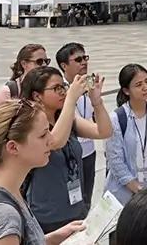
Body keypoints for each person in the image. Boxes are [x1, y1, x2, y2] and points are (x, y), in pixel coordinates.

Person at [0, 100, 85, 244]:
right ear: (13, 147)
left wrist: (51, 239)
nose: (51, 140)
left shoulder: (7, 190)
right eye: (43, 135)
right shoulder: (1, 217)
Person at [21, 66, 112, 233]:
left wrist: (96, 102)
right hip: (47, 217)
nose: (63, 92)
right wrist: (71, 99)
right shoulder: (30, 125)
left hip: (76, 209)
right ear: (37, 96)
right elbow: (54, 142)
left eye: (63, 86)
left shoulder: (68, 119)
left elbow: (104, 131)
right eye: (56, 88)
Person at [105, 64, 147, 206]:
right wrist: (138, 189)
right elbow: (115, 159)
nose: (146, 87)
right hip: (125, 194)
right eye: (138, 85)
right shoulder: (117, 118)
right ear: (126, 91)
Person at [55, 42, 98, 209]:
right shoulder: (60, 91)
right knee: (72, 202)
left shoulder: (89, 84)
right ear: (64, 66)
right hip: (71, 154)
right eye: (78, 60)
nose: (84, 62)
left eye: (85, 58)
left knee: (86, 201)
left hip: (89, 152)